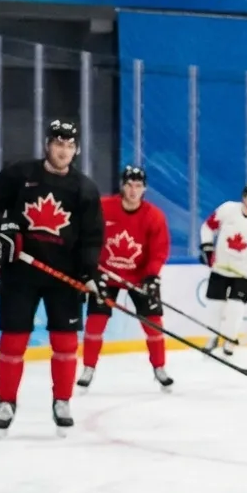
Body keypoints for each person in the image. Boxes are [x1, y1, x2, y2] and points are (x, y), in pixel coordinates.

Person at [0, 119, 104, 436]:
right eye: (58, 144)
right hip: (20, 273)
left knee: (64, 342)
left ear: (76, 149)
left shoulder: (84, 188)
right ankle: (6, 402)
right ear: (48, 144)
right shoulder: (21, 174)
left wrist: (89, 273)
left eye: (69, 146)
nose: (63, 150)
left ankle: (62, 401)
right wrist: (2, 229)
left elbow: (91, 237)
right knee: (13, 340)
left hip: (64, 277)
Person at [80, 165, 173, 392]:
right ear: (122, 186)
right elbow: (87, 238)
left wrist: (152, 276)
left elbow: (159, 250)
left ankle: (159, 368)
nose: (133, 190)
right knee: (95, 322)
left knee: (153, 323)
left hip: (139, 276)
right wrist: (91, 270)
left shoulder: (154, 216)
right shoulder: (103, 208)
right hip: (105, 275)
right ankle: (88, 368)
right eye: (129, 185)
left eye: (138, 186)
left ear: (144, 189)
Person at [198, 182, 247, 356]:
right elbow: (208, 227)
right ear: (243, 197)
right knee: (215, 306)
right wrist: (207, 247)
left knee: (235, 308)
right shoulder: (228, 210)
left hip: (243, 274)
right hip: (220, 269)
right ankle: (213, 337)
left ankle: (229, 340)